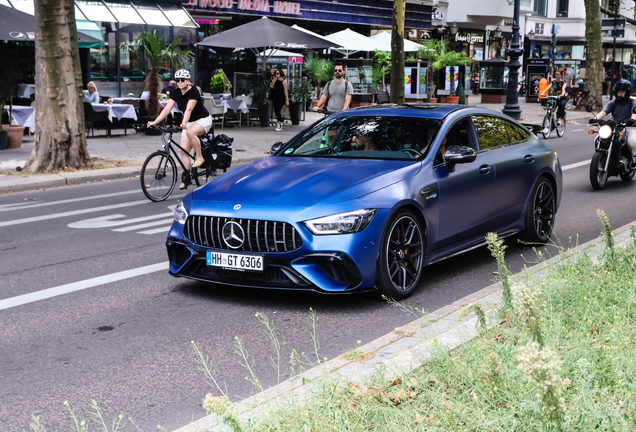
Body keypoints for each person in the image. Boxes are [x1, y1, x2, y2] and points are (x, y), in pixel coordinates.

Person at [147, 69, 212, 189]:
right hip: (188, 122)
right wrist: (155, 121)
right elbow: (167, 109)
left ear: (188, 80)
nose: (180, 82)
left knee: (191, 132)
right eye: (178, 80)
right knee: (183, 151)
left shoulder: (193, 91)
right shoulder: (176, 92)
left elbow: (188, 109)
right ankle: (187, 177)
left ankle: (200, 157)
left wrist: (183, 123)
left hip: (202, 119)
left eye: (183, 80)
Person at [593, 79, 636, 167]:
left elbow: (634, 112)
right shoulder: (613, 103)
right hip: (615, 126)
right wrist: (595, 118)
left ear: (627, 92)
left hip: (628, 126)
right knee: (599, 138)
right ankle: (603, 155)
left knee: (632, 140)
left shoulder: (632, 102)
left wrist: (632, 120)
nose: (620, 94)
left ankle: (634, 157)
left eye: (622, 91)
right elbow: (603, 112)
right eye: (618, 91)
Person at [269, 68, 289, 132]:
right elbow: (271, 87)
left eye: (277, 73)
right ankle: (280, 122)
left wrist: (287, 100)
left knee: (278, 110)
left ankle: (279, 123)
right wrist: (274, 81)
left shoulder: (284, 82)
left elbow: (286, 91)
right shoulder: (275, 80)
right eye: (275, 73)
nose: (276, 74)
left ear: (280, 74)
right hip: (275, 97)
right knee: (276, 110)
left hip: (281, 97)